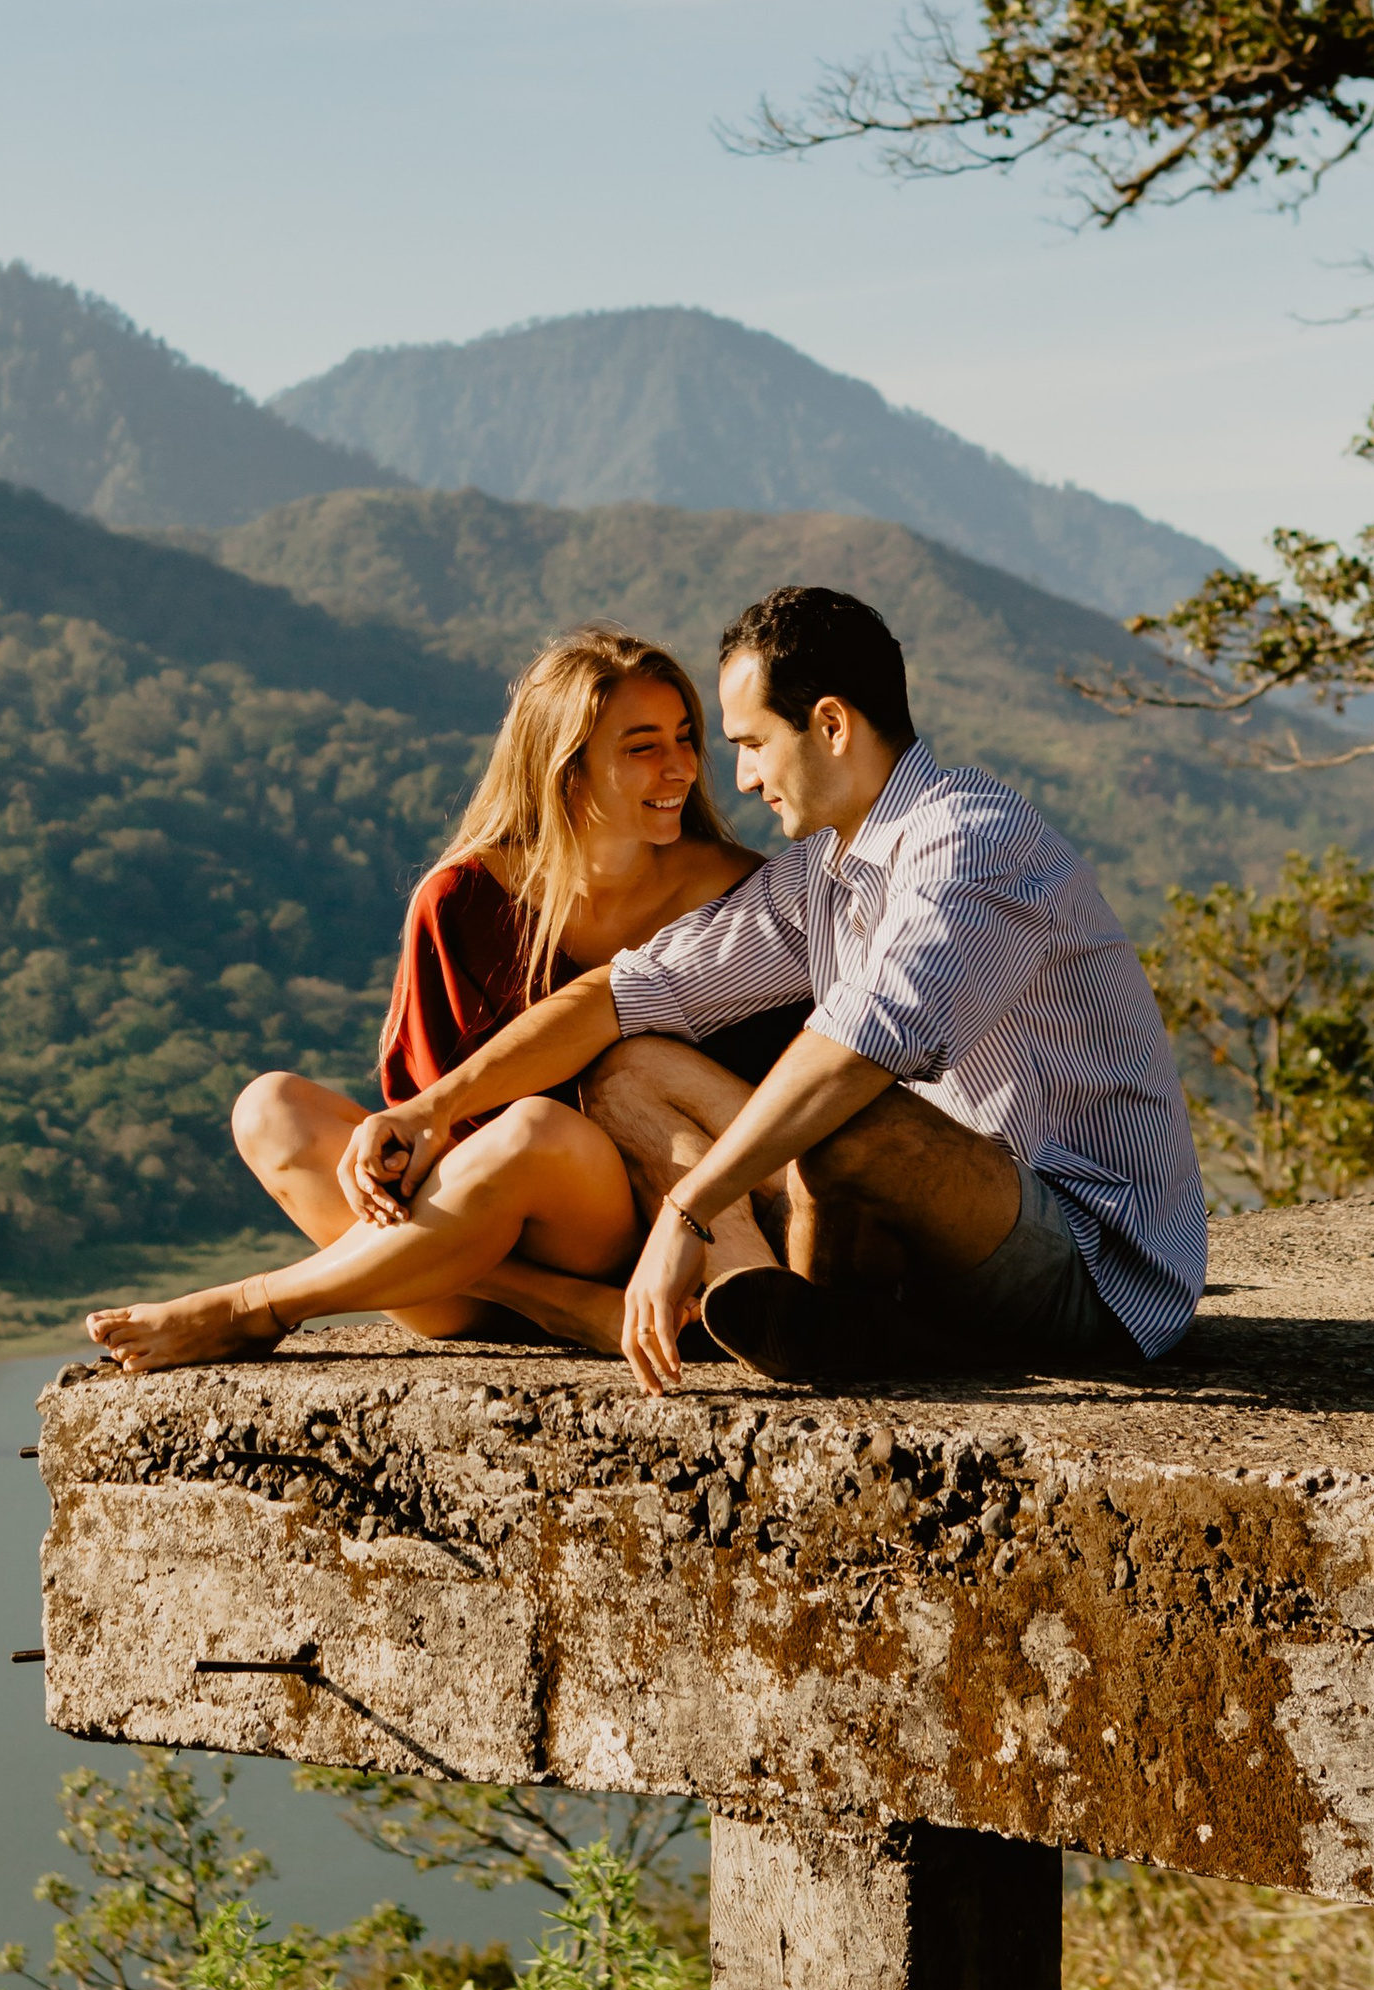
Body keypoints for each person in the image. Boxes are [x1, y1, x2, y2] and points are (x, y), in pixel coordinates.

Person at [342, 583, 1205, 1391]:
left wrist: (686, 1210)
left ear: (830, 725)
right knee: (630, 1066)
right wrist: (434, 1109)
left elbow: (853, 1057)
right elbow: (619, 992)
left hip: (1091, 1266)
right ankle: (770, 1295)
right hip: (945, 1228)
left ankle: (847, 1325)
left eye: (752, 744)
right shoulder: (821, 873)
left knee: (842, 1115)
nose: (742, 778)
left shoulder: (970, 843)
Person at [85, 627, 805, 1373]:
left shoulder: (736, 893)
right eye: (643, 746)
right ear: (566, 768)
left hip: (650, 1232)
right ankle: (547, 1301)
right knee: (270, 1109)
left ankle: (254, 1305)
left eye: (685, 738)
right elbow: (431, 1128)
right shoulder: (464, 898)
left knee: (534, 1131)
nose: (682, 766)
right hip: (466, 1242)